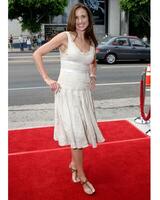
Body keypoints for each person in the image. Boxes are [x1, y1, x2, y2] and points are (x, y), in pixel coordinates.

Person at [33, 3, 105, 195]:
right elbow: (37, 53)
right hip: (67, 93)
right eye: (77, 17)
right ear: (72, 19)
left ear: (89, 19)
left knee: (80, 133)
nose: (80, 21)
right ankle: (82, 177)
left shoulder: (91, 41)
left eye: (84, 17)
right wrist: (48, 79)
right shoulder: (65, 37)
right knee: (77, 137)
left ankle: (74, 163)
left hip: (83, 94)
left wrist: (92, 76)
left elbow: (92, 62)